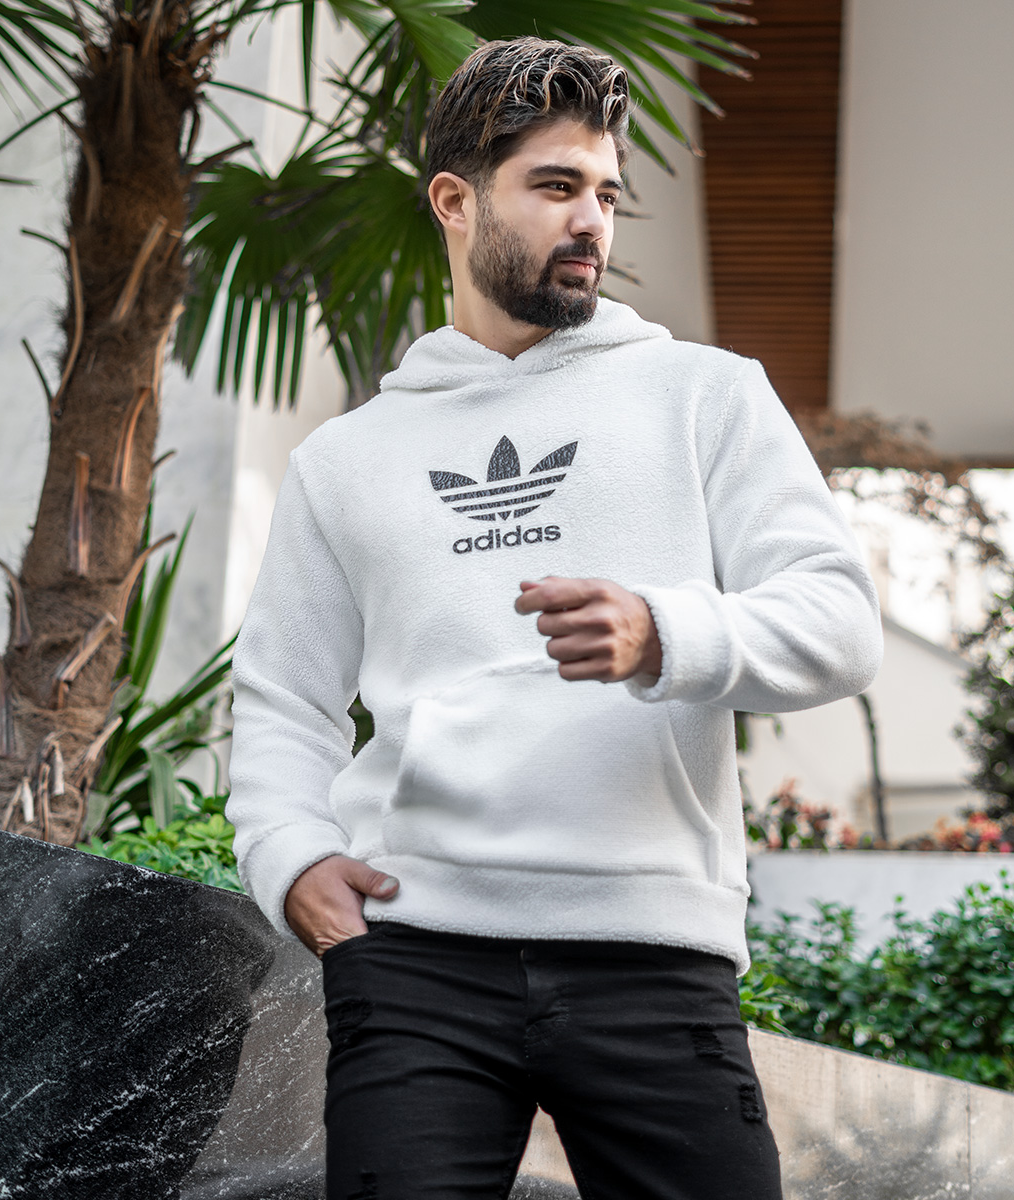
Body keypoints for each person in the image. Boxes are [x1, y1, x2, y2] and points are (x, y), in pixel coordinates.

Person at [227, 36, 882, 1200]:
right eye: (555, 185)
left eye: (606, 193)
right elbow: (284, 700)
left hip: (652, 954)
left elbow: (840, 623)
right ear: (455, 200)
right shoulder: (344, 459)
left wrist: (667, 633)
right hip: (415, 960)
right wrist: (291, 860)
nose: (591, 221)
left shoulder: (706, 396)